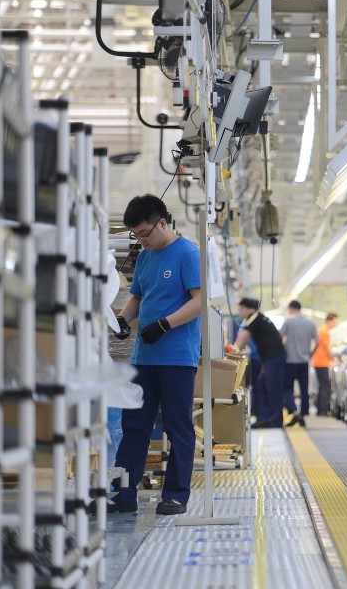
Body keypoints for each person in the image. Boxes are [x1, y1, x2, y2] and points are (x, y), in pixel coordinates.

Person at [108, 195, 202, 516]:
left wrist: (165, 324)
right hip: (143, 358)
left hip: (177, 358)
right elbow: (137, 296)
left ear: (163, 223)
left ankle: (175, 494)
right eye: (135, 235)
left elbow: (199, 301)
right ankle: (122, 494)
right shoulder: (146, 256)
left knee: (177, 426)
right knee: (134, 425)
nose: (141, 240)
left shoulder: (188, 254)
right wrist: (122, 319)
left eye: (145, 233)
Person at [233, 297, 287, 428]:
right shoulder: (261, 317)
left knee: (272, 387)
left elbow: (242, 340)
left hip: (273, 358)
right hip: (271, 358)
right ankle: (264, 417)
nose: (239, 312)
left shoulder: (254, 318)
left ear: (247, 309)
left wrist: (232, 350)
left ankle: (275, 420)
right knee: (262, 386)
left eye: (241, 309)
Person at [279, 300, 318, 426]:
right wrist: (310, 354)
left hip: (290, 361)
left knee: (286, 388)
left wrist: (284, 348)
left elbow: (279, 336)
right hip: (304, 361)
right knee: (304, 389)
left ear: (291, 309)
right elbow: (317, 341)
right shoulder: (310, 323)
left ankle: (294, 411)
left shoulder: (288, 321)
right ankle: (303, 414)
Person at [311, 313, 338, 416]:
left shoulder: (321, 330)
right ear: (330, 321)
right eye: (335, 321)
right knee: (325, 386)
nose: (335, 324)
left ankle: (320, 408)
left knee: (322, 385)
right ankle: (323, 409)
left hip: (318, 362)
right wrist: (333, 359)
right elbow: (327, 348)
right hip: (322, 362)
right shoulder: (325, 331)